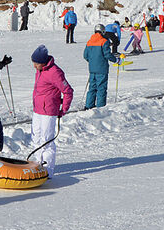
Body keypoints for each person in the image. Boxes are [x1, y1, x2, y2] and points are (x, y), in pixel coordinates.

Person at [30, 45, 73, 174]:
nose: (34, 66)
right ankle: (38, 163)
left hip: (49, 112)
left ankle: (48, 169)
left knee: (46, 140)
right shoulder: (40, 70)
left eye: (36, 63)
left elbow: (68, 91)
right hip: (37, 110)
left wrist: (63, 109)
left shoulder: (55, 72)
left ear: (43, 62)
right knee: (36, 138)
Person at [83, 24, 118, 109]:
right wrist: (116, 60)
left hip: (92, 69)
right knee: (101, 88)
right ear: (102, 31)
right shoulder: (104, 41)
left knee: (92, 88)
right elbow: (107, 55)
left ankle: (88, 105)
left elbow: (85, 55)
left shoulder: (89, 41)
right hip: (102, 69)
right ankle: (100, 107)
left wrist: (92, 61)